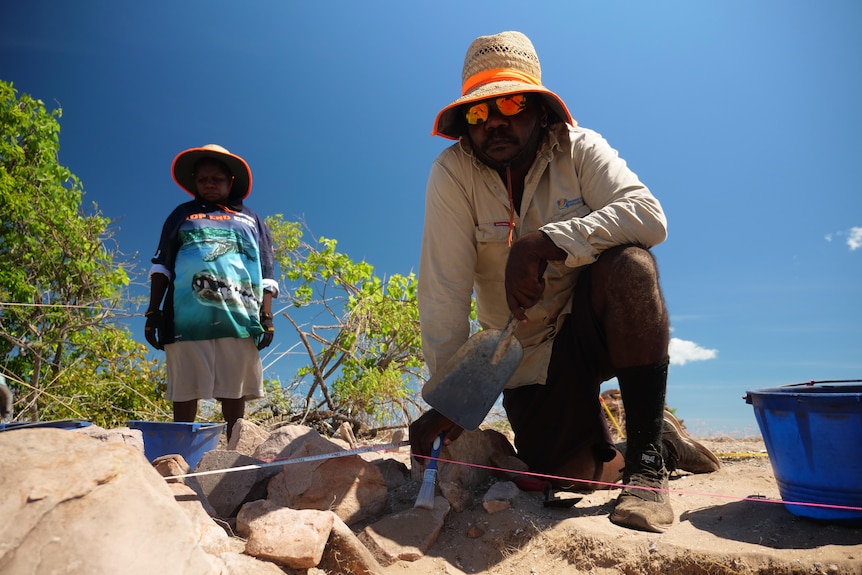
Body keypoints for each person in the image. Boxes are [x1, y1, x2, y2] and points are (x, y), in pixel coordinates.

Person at [409, 31, 718, 533]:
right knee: (565, 473)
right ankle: (657, 439)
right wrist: (452, 401)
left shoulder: (580, 148)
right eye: (480, 113)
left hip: (594, 321)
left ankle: (645, 468)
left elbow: (648, 215)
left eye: (510, 102)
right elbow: (443, 290)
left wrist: (545, 242)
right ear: (466, 124)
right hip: (524, 353)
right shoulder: (451, 173)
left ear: (540, 110)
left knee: (632, 266)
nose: (496, 122)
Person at [144, 144, 278, 442]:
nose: (209, 183)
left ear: (231, 181)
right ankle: (179, 454)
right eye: (203, 178)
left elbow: (267, 273)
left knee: (234, 389)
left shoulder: (251, 219)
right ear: (195, 182)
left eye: (216, 178)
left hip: (241, 315)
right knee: (185, 387)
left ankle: (233, 453)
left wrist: (266, 316)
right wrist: (153, 312)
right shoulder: (182, 215)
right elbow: (162, 266)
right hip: (186, 317)